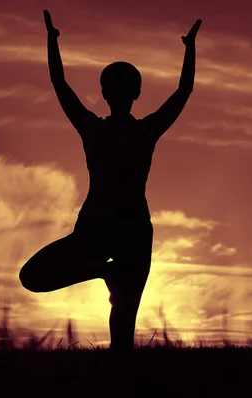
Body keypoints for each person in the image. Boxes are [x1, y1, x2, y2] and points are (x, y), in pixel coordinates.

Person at [19, 10, 202, 350]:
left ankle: (104, 273)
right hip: (118, 229)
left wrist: (52, 41)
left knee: (119, 331)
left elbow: (60, 84)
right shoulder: (140, 131)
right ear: (137, 93)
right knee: (121, 332)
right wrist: (189, 48)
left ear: (106, 92)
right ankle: (105, 272)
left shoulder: (98, 129)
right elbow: (184, 90)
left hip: (110, 228)